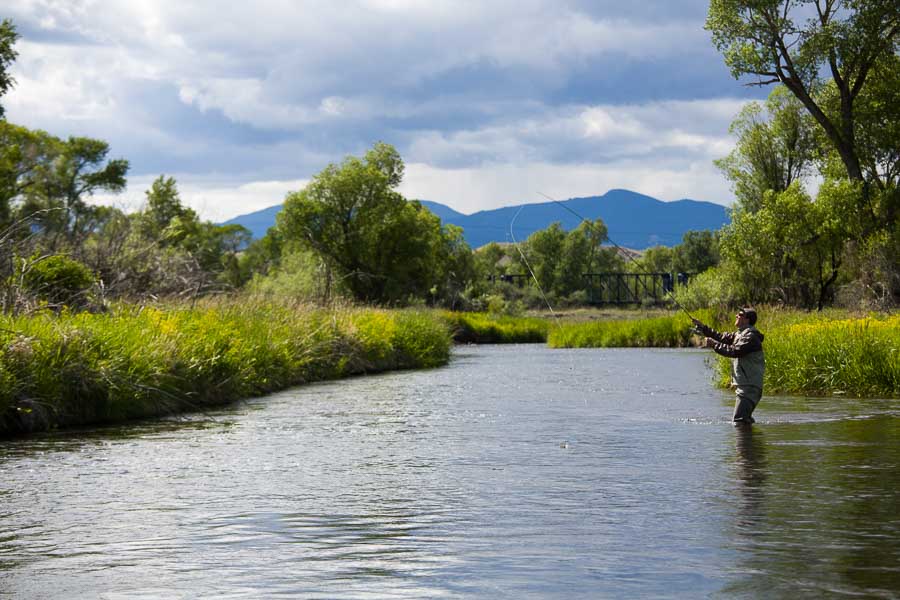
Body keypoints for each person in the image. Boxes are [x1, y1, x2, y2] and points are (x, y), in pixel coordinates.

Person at [692, 307, 765, 425]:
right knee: (743, 420)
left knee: (739, 421)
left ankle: (748, 437)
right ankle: (751, 436)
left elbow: (735, 351)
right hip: (746, 385)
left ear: (747, 320)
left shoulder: (750, 336)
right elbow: (722, 337)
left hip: (749, 387)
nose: (736, 315)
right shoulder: (740, 334)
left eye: (740, 314)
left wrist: (714, 345)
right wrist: (703, 327)